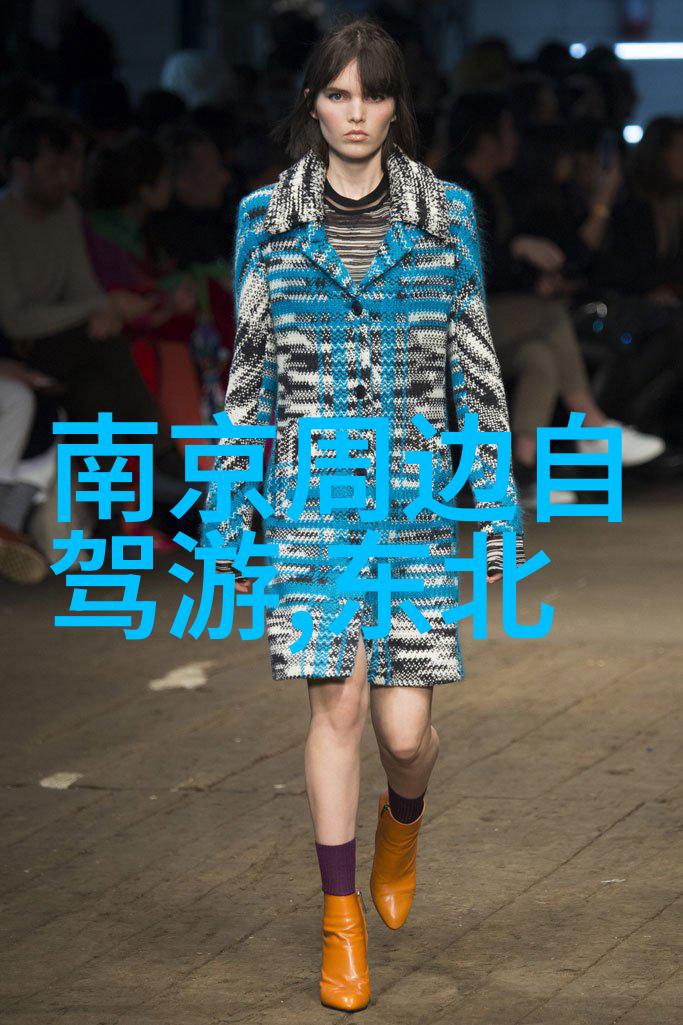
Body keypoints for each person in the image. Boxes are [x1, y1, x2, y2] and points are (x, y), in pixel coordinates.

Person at [201, 17, 527, 1011]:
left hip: (409, 494)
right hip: (311, 493)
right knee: (334, 706)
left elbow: (475, 364)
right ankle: (339, 924)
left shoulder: (445, 214)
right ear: (312, 103)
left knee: (404, 731)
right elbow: (249, 366)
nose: (354, 114)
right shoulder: (266, 217)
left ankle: (404, 817)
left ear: (396, 106)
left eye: (372, 95)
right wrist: (229, 500)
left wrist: (494, 501)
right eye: (337, 94)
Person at [438, 93, 665, 508]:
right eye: (508, 130)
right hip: (443, 325)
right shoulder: (451, 187)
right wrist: (518, 255)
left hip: (489, 321)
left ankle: (522, 472)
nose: (515, 139)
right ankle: (592, 426)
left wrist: (530, 269)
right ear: (487, 138)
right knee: (547, 316)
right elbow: (459, 264)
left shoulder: (498, 188)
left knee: (539, 355)